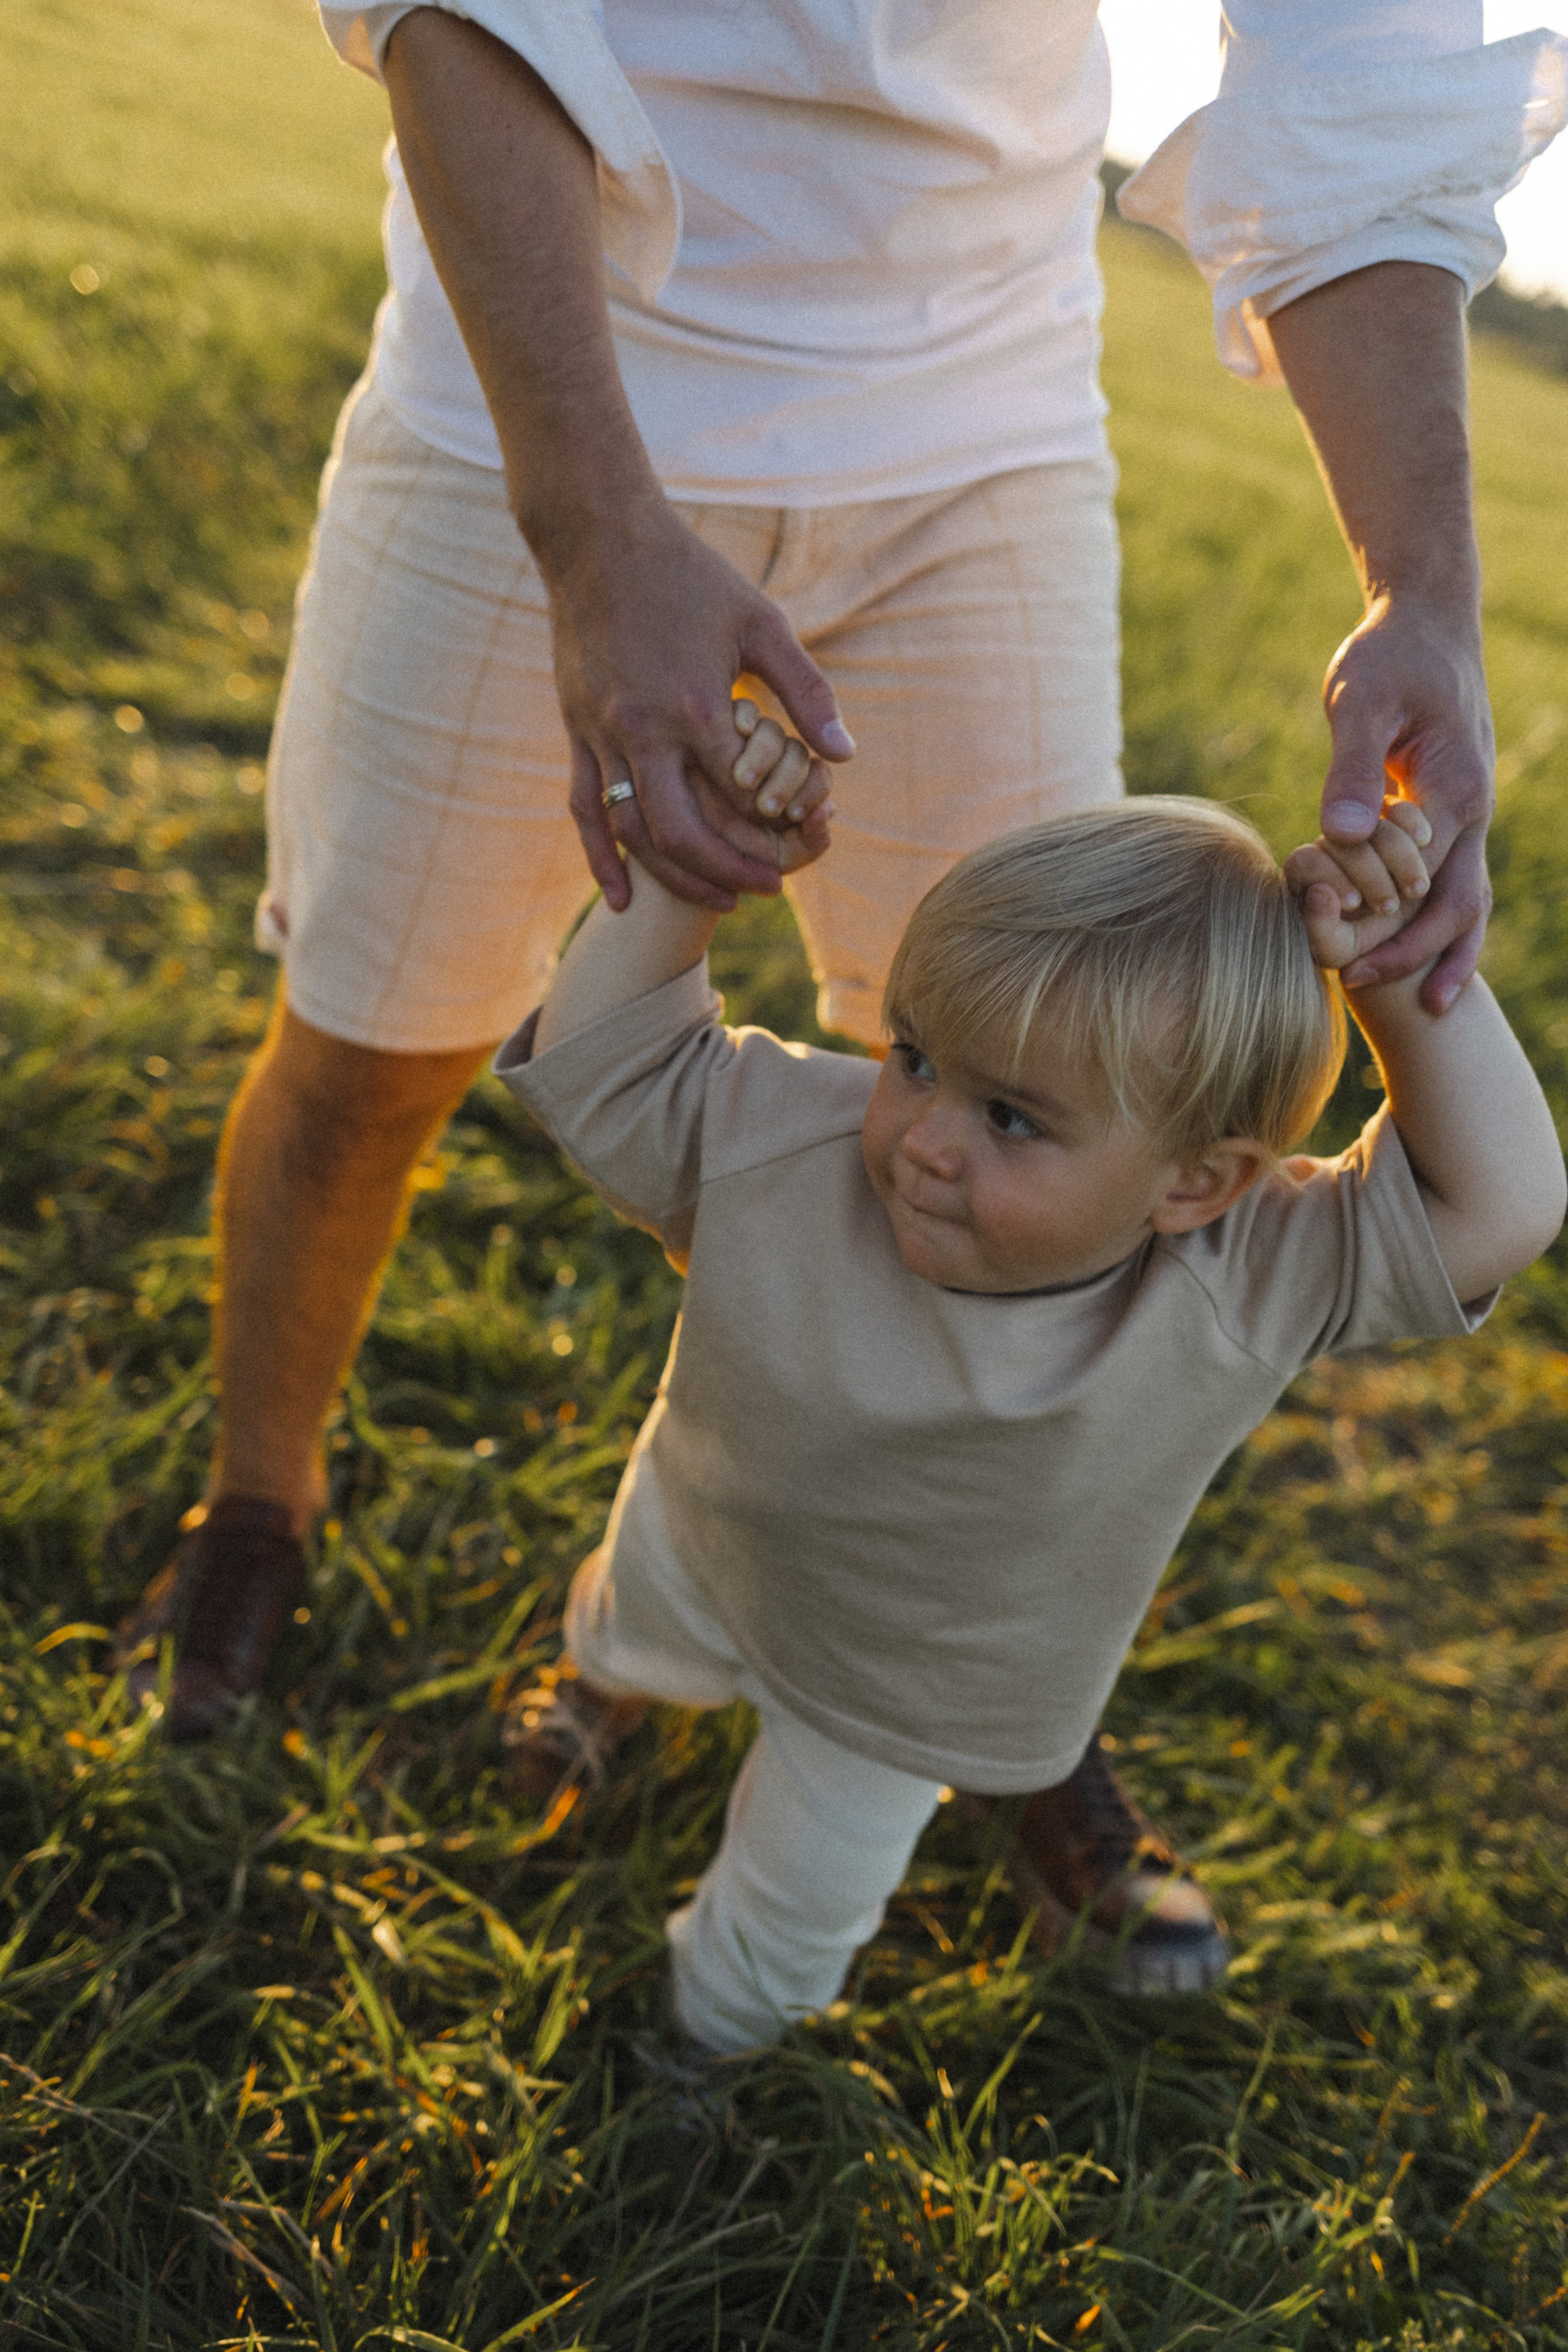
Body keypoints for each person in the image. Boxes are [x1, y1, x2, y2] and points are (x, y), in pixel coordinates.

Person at [116, 0, 1566, 1968]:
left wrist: (1425, 594)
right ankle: (255, 1518)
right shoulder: (800, 1116)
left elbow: (1361, 75)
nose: (910, 1120)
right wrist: (598, 526)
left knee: (1069, 1123)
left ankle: (987, 1695)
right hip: (537, 380)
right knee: (381, 1044)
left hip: (983, 424)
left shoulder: (1246, 1246)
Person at [492, 768, 1562, 2042]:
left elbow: (1497, 1207)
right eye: (916, 1058)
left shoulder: (1238, 1280)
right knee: (630, 1623)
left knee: (787, 1926)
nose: (925, 1139)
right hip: (703, 1528)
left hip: (909, 1691)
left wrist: (1394, 971)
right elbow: (597, 1052)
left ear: (1195, 1182)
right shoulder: (788, 1144)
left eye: (1010, 1117)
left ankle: (690, 2062)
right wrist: (690, 868)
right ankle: (601, 1695)